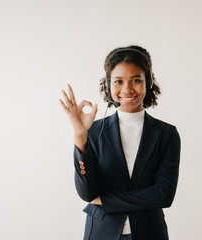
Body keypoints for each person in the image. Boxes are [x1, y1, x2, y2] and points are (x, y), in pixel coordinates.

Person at [59, 45, 181, 240]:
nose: (127, 89)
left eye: (136, 80)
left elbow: (163, 195)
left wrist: (105, 200)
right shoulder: (94, 131)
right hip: (101, 233)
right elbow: (87, 193)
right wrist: (80, 136)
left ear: (147, 82)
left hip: (150, 234)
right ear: (108, 85)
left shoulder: (166, 134)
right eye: (118, 81)